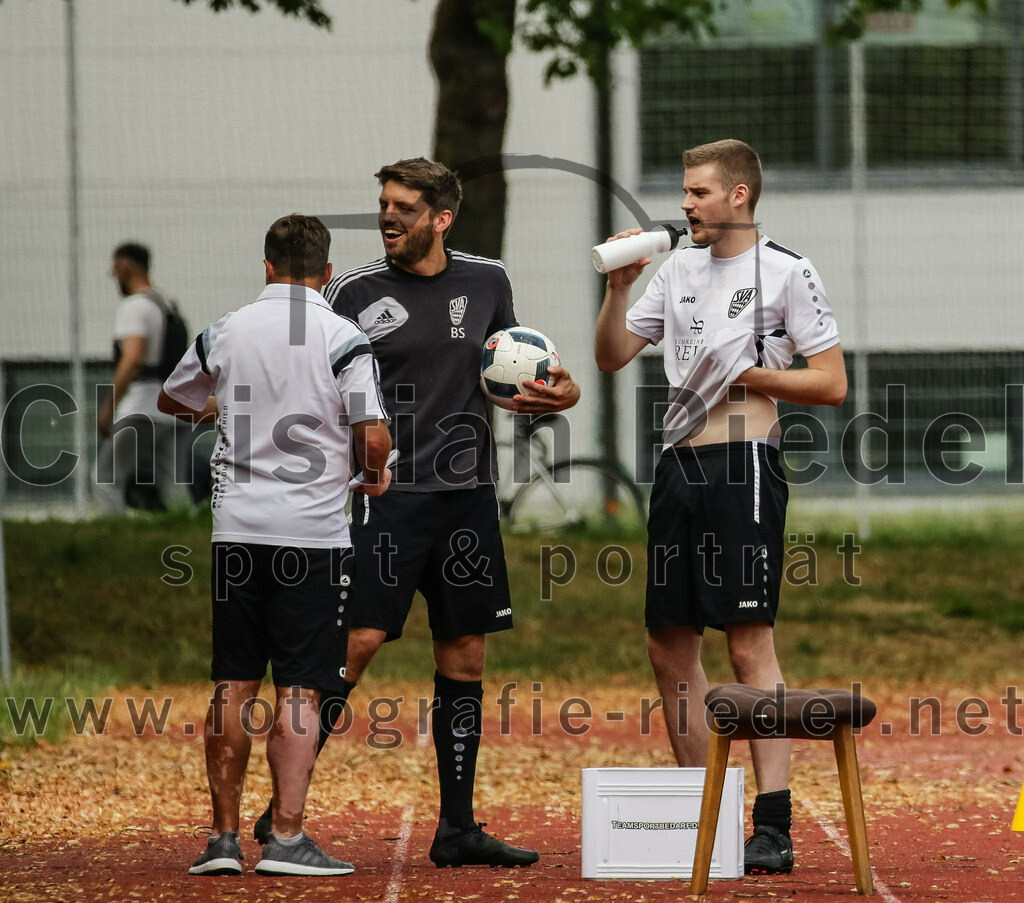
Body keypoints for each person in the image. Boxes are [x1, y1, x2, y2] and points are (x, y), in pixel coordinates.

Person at [252, 157, 580, 868]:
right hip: (385, 497)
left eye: (404, 206)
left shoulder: (488, 279)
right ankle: (285, 807)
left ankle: (457, 826)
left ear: (442, 217)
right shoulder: (352, 289)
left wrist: (562, 392)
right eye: (384, 204)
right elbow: (303, 372)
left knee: (465, 652)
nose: (389, 216)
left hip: (467, 497)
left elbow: (514, 366)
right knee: (361, 641)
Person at [594, 139, 847, 876]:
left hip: (746, 463)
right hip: (677, 464)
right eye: (684, 191)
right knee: (668, 643)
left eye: (698, 192)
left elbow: (830, 382)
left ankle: (773, 821)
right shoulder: (675, 268)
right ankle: (701, 813)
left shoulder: (787, 270)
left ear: (738, 195)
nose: (684, 204)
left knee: (746, 642)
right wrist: (618, 289)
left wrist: (752, 371)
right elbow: (611, 355)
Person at [158, 214, 392, 877]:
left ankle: (222, 839)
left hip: (237, 530)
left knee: (232, 681)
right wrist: (372, 474)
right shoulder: (341, 334)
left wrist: (222, 409)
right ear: (325, 273)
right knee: (301, 687)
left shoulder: (227, 329)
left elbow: (174, 397)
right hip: (311, 535)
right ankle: (286, 835)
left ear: (266, 267)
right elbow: (373, 437)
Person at [96, 242, 192, 511]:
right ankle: (188, 539)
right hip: (174, 407)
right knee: (174, 487)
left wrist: (108, 408)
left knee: (105, 479)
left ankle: (107, 544)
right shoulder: (167, 304)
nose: (115, 277)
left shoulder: (135, 306)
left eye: (114, 271)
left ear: (124, 268)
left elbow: (132, 359)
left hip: (142, 406)